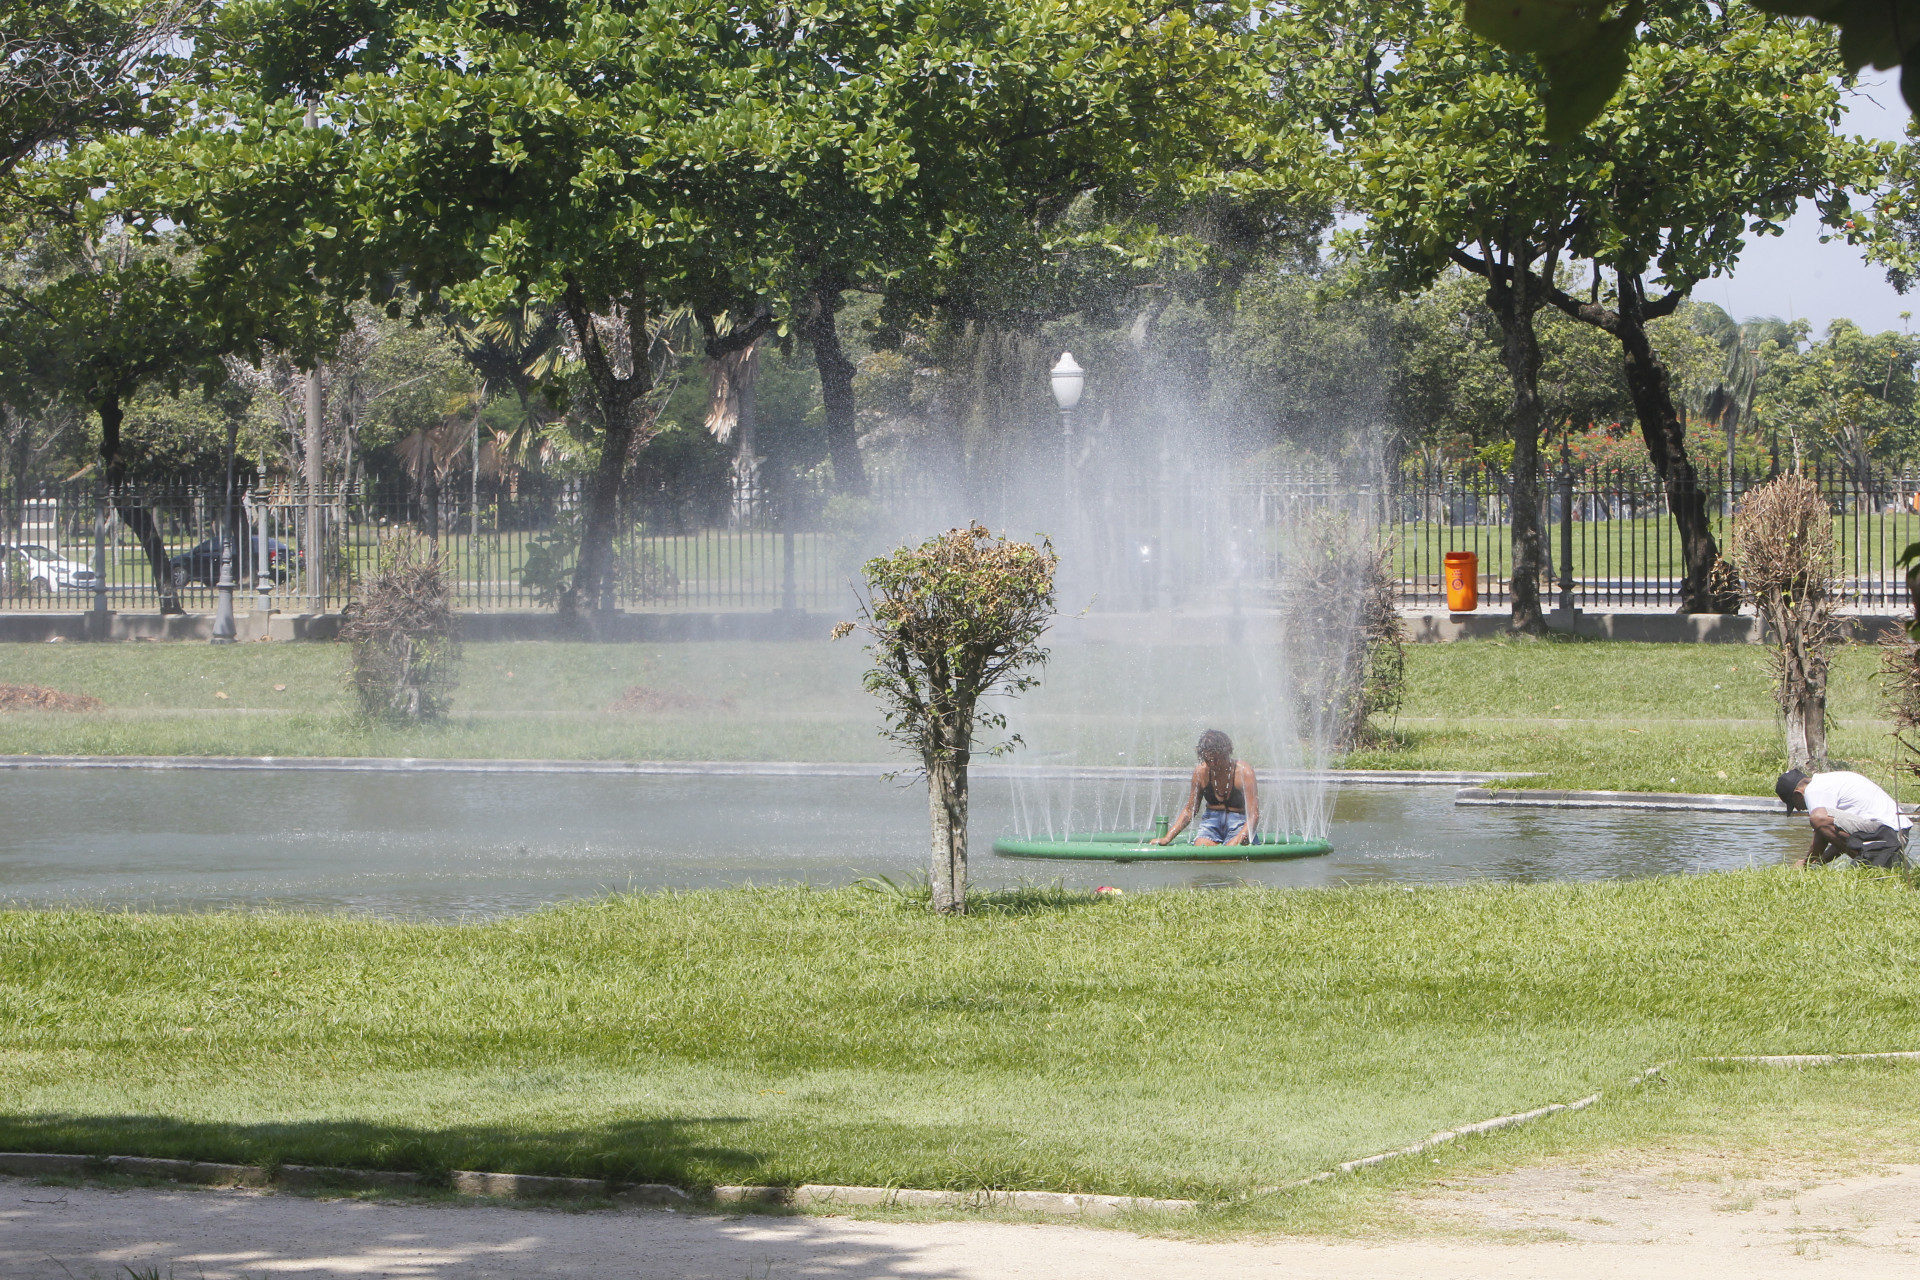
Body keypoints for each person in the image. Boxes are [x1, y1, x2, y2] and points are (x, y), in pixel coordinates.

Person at [1776, 768, 1912, 868]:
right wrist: (1818, 863)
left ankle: (1870, 864)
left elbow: (1820, 837)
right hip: (1896, 832)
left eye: (1794, 805)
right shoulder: (1827, 781)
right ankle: (1878, 863)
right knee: (1822, 822)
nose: (1799, 809)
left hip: (1889, 832)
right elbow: (1838, 839)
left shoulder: (1814, 790)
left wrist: (1805, 864)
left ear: (1798, 794)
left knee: (1817, 818)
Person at [1153, 729, 1260, 847]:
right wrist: (1167, 838)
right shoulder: (1200, 772)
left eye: (1216, 759)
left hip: (1240, 822)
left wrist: (1237, 840)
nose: (1212, 764)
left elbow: (1253, 815)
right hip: (1211, 822)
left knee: (1231, 855)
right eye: (1208, 760)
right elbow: (1190, 810)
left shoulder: (1245, 773)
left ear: (1226, 752)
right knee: (1202, 851)